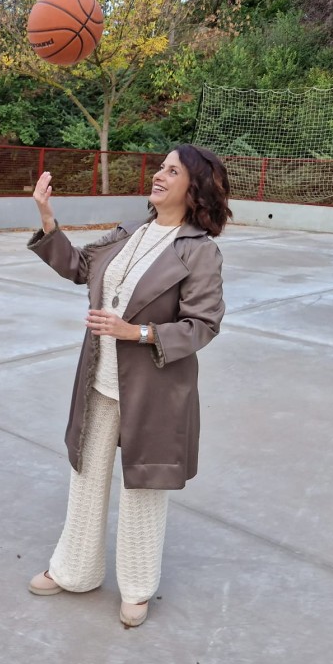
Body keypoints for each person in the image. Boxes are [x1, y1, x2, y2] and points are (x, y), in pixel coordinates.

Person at [25, 144, 232, 628]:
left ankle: (137, 587)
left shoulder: (199, 251)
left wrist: (136, 332)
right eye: (160, 167)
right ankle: (75, 571)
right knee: (86, 476)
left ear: (193, 186)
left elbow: (204, 324)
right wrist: (47, 218)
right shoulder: (128, 232)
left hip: (154, 389)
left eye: (172, 170)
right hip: (99, 380)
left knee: (143, 486)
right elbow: (79, 268)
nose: (159, 175)